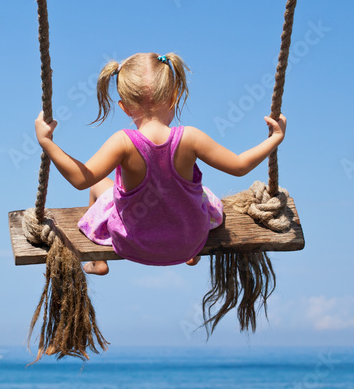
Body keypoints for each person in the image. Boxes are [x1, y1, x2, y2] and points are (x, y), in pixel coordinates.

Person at [34, 52, 286, 274]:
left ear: (124, 107)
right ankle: (191, 255)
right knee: (202, 195)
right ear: (174, 97)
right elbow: (240, 166)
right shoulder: (190, 137)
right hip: (189, 240)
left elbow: (81, 179)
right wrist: (276, 138)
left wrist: (47, 143)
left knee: (98, 183)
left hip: (134, 243)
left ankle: (99, 261)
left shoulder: (122, 141)